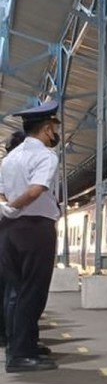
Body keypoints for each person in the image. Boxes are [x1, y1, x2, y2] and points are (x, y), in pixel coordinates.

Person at [0, 101, 61, 372]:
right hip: (35, 229)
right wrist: (15, 207)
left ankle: (21, 345)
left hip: (8, 230)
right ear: (47, 128)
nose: (54, 134)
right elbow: (36, 190)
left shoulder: (10, 158)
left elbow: (1, 193)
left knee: (15, 290)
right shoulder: (46, 156)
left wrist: (7, 209)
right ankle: (21, 355)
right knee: (32, 292)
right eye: (54, 128)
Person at [0, 130, 26, 349]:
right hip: (12, 234)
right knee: (14, 292)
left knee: (10, 291)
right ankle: (17, 344)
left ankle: (12, 339)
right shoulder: (13, 169)